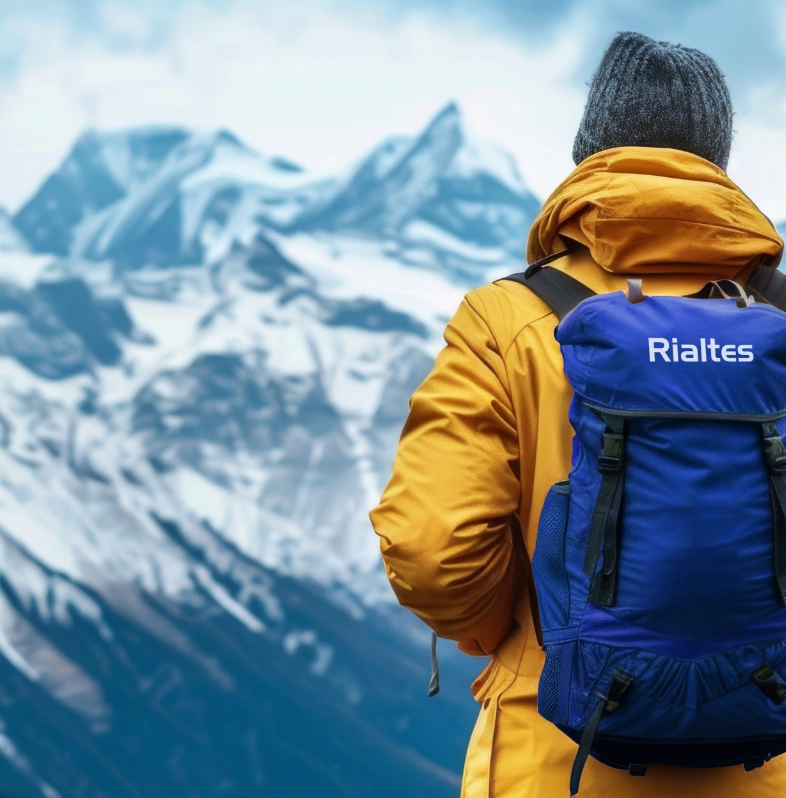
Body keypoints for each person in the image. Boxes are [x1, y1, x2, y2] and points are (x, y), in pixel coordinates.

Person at [369, 31, 786, 798]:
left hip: (557, 750)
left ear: (588, 154)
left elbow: (433, 550)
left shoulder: (507, 318)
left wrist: (530, 640)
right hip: (765, 748)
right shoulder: (781, 325)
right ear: (716, 163)